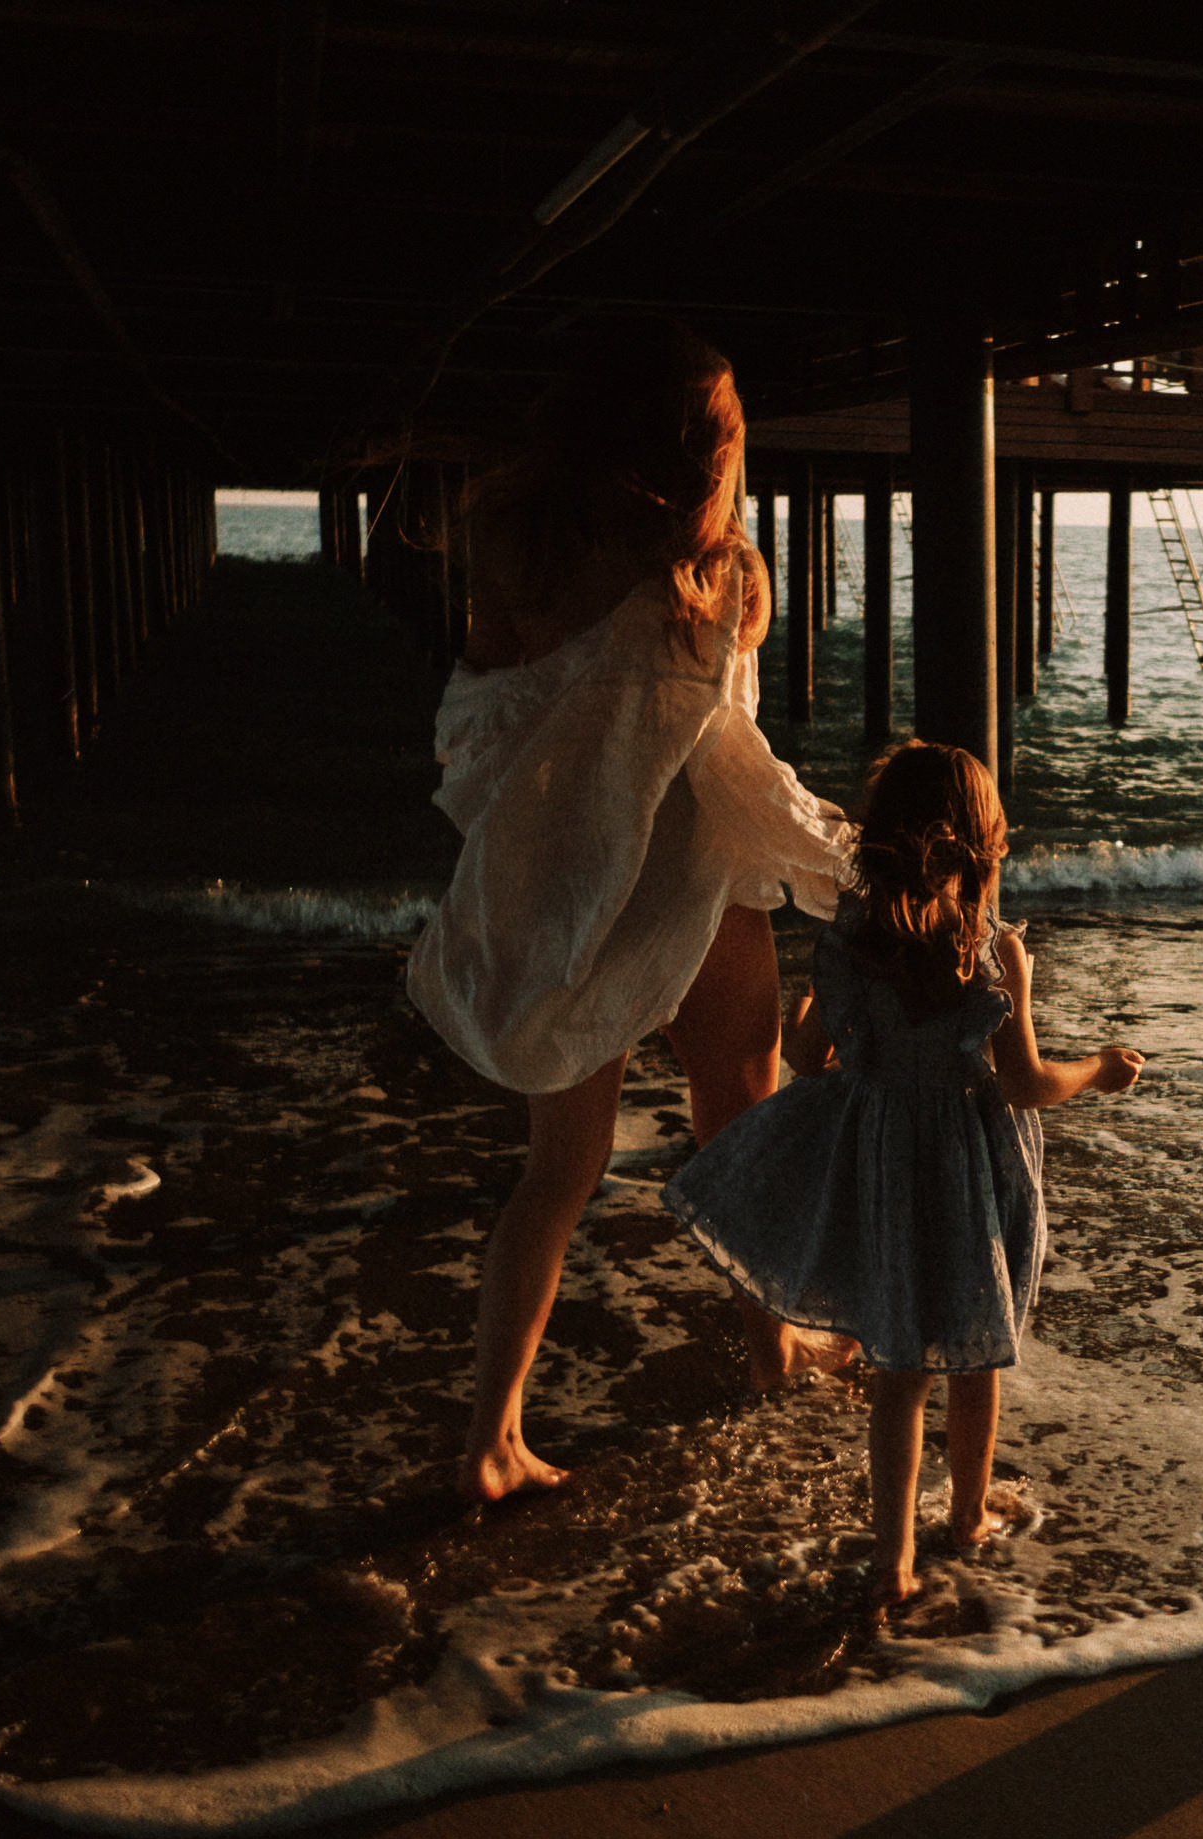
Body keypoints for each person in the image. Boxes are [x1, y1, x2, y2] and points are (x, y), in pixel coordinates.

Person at [407, 320, 856, 1505]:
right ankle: (771, 1348)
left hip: (570, 889)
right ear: (707, 457)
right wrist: (832, 855)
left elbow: (494, 721)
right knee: (740, 1122)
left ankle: (491, 1437)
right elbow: (726, 748)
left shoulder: (516, 546)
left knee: (560, 1171)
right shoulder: (727, 576)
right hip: (691, 886)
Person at [660, 741, 1144, 1606]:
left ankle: (892, 1562)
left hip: (886, 1161)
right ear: (978, 844)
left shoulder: (849, 943)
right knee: (973, 1353)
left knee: (898, 1371)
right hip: (966, 1171)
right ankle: (965, 1519)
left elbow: (808, 1060)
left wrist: (815, 1013)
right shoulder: (994, 951)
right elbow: (1024, 1083)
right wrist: (1099, 1070)